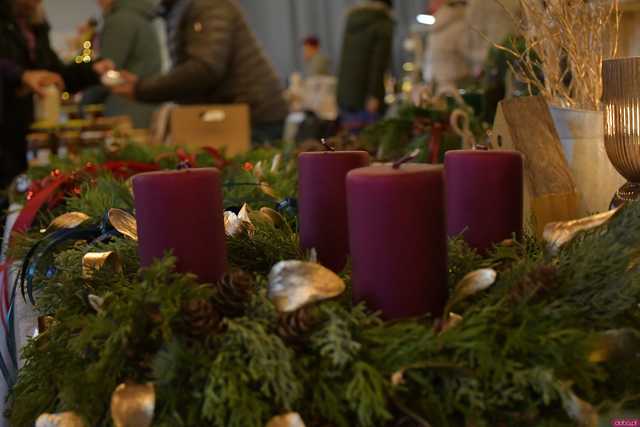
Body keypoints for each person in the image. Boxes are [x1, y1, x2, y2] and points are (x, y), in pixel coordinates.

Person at [111, 0, 288, 144]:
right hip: (234, 114)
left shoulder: (207, 5)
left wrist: (142, 87)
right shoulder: (180, 7)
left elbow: (204, 69)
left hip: (251, 117)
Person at [0, 0, 111, 187]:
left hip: (23, 135)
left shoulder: (35, 26)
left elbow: (56, 74)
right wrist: (21, 75)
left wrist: (93, 69)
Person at [83, 0, 163, 128]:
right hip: (145, 108)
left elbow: (106, 73)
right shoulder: (139, 16)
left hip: (126, 111)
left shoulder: (120, 21)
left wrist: (83, 103)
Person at [336, 0, 394, 117]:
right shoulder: (382, 24)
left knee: (349, 132)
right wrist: (374, 95)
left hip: (344, 93)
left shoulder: (352, 20)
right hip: (366, 97)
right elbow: (378, 64)